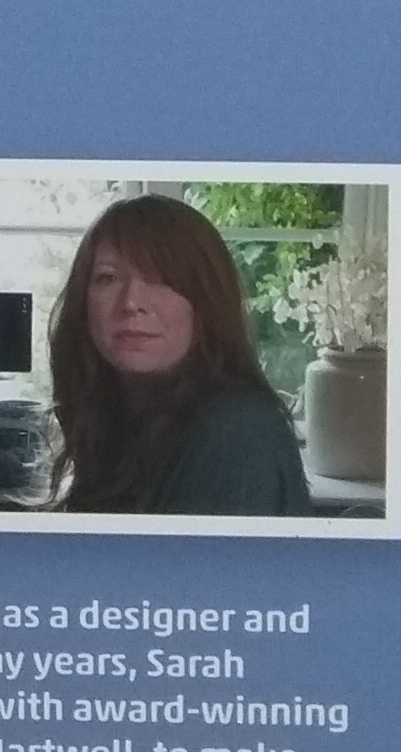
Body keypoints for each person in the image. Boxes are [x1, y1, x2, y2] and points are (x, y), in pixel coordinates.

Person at [46, 196, 312, 516]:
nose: (131, 302)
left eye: (161, 279)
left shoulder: (237, 433)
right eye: (108, 278)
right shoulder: (116, 421)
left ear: (206, 302)